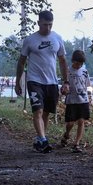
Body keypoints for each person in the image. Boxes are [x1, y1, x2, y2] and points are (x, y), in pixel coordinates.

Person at [15, 10, 69, 153]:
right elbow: (21, 62)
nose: (48, 28)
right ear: (38, 23)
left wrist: (66, 81)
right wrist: (17, 82)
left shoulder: (57, 38)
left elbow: (63, 60)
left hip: (51, 82)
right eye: (45, 25)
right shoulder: (30, 40)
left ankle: (40, 140)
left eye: (50, 25)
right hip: (34, 81)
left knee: (46, 113)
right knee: (37, 111)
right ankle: (44, 140)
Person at [61, 50, 91, 153]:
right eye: (77, 63)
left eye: (81, 63)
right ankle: (67, 134)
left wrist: (89, 96)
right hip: (71, 100)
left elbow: (87, 85)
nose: (79, 65)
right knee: (70, 122)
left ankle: (76, 143)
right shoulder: (68, 71)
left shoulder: (84, 71)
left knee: (81, 121)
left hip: (83, 100)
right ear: (73, 61)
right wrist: (64, 91)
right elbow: (64, 85)